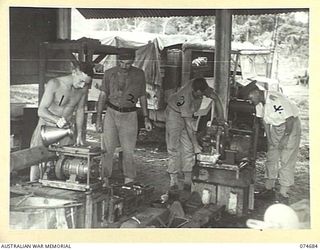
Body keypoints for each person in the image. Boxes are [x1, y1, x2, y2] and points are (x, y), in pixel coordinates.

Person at [29, 61, 94, 181]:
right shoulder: (55, 84)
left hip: (66, 130)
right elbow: (41, 111)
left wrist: (79, 134)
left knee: (64, 163)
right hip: (46, 127)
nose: (82, 85)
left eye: (86, 83)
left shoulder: (82, 89)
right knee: (36, 160)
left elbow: (80, 110)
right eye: (81, 81)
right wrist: (56, 119)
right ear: (74, 72)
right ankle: (33, 188)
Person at [96, 52, 152, 186]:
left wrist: (146, 118)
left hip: (130, 115)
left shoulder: (139, 74)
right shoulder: (109, 73)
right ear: (118, 60)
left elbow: (143, 97)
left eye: (128, 64)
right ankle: (104, 179)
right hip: (111, 113)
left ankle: (129, 180)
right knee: (107, 149)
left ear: (132, 61)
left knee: (128, 150)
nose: (124, 66)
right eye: (122, 63)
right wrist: (98, 118)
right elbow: (103, 95)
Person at [165, 77, 224, 191]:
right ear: (194, 90)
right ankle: (174, 181)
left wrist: (222, 119)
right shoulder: (184, 97)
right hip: (174, 115)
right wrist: (196, 145)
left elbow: (216, 98)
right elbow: (188, 126)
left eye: (202, 94)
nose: (200, 96)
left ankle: (187, 181)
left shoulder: (203, 87)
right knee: (174, 148)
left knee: (189, 149)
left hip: (188, 116)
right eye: (197, 94)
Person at [248, 84, 301, 203]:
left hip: (290, 127)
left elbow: (290, 120)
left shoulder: (276, 99)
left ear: (257, 92)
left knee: (286, 159)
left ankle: (284, 194)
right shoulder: (259, 104)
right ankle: (268, 189)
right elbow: (264, 121)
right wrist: (269, 138)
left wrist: (284, 138)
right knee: (271, 157)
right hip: (276, 127)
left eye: (250, 98)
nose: (250, 101)